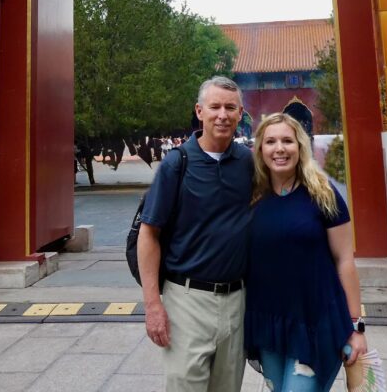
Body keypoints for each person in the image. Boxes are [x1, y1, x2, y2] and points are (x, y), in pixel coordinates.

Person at [138, 76, 254, 391]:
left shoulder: (248, 163)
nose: (223, 115)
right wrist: (152, 305)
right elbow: (148, 233)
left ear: (240, 113)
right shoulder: (178, 163)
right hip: (187, 299)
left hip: (236, 301)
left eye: (230, 107)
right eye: (214, 106)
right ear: (199, 111)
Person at [245, 112, 368, 392]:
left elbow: (345, 260)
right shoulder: (252, 196)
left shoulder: (322, 193)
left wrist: (357, 327)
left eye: (288, 141)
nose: (279, 149)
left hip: (316, 322)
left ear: (300, 147)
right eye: (271, 141)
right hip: (269, 321)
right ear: (260, 149)